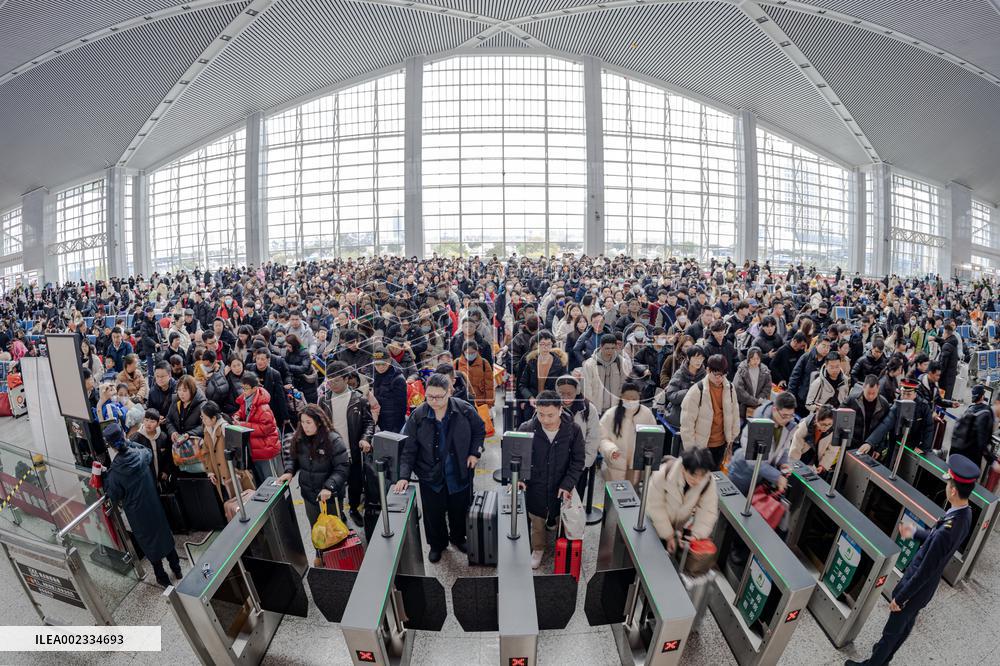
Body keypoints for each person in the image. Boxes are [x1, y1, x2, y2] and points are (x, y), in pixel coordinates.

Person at [846, 455, 976, 666]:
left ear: (953, 491)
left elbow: (925, 569)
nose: (946, 487)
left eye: (948, 484)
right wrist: (915, 532)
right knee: (903, 628)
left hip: (915, 589)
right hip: (925, 590)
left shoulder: (948, 528)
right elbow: (937, 544)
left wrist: (901, 597)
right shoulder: (965, 514)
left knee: (891, 632)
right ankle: (884, 661)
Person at [394, 374, 486, 563]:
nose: (434, 401)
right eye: (430, 396)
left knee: (459, 509)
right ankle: (437, 545)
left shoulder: (464, 409)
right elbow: (409, 449)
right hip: (430, 474)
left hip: (459, 471)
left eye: (439, 397)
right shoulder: (418, 415)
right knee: (433, 513)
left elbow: (479, 429)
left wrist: (474, 453)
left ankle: (458, 537)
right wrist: (403, 476)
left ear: (449, 392)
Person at [102, 423, 181, 587]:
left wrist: (103, 477)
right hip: (154, 505)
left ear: (110, 445)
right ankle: (177, 568)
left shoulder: (115, 473)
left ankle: (162, 576)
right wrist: (129, 442)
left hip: (137, 514)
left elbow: (113, 494)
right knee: (163, 534)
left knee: (149, 542)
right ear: (124, 436)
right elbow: (148, 452)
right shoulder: (140, 455)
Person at [515, 390, 585, 569]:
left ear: (560, 410)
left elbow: (578, 460)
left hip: (561, 483)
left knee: (561, 517)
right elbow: (517, 457)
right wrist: (520, 478)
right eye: (541, 414)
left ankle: (560, 542)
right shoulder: (526, 429)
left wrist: (568, 484)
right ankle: (538, 548)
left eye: (550, 415)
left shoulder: (573, 430)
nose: (545, 420)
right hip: (536, 485)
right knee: (537, 520)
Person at [320, 361, 375, 526]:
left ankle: (354, 509)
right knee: (335, 485)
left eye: (336, 380)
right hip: (332, 452)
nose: (332, 384)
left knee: (355, 484)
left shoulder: (359, 399)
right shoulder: (324, 400)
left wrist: (365, 438)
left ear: (346, 379)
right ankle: (339, 512)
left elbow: (369, 423)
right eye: (329, 381)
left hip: (353, 451)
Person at [277, 405, 350, 529]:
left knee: (334, 532)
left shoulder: (333, 440)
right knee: (316, 530)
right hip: (309, 495)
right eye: (302, 422)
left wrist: (329, 487)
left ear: (319, 422)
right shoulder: (299, 438)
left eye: (308, 422)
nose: (305, 426)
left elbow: (342, 467)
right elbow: (293, 458)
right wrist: (289, 471)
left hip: (330, 497)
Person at [646, 447, 719, 552]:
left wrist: (696, 535)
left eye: (702, 475)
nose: (698, 480)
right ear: (683, 468)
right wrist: (668, 535)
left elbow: (708, 510)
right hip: (653, 524)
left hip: (678, 529)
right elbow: (655, 507)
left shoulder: (708, 481)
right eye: (694, 475)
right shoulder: (663, 473)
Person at [727, 391, 797, 497]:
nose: (787, 419)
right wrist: (777, 476)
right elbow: (753, 460)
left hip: (762, 476)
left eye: (791, 415)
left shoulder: (787, 425)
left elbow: (784, 447)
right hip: (743, 473)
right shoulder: (759, 423)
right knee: (734, 503)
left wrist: (782, 463)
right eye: (784, 416)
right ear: (774, 409)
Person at [679, 354, 740, 470]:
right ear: (708, 370)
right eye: (716, 374)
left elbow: (735, 413)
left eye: (723, 374)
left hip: (721, 444)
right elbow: (687, 424)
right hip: (701, 446)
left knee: (715, 476)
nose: (720, 378)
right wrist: (691, 451)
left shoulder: (730, 388)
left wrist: (732, 437)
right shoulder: (697, 391)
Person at [860, 379, 934, 463]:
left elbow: (929, 427)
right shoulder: (896, 406)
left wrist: (924, 447)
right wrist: (870, 442)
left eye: (908, 394)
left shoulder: (923, 407)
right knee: (890, 462)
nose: (905, 397)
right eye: (903, 394)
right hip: (895, 441)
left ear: (915, 394)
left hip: (912, 444)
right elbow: (885, 424)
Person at [598, 382, 657, 484]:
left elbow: (654, 436)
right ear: (621, 397)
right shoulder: (610, 414)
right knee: (614, 492)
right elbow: (601, 438)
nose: (631, 402)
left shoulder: (646, 414)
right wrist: (611, 450)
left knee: (633, 491)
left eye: (634, 399)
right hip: (615, 465)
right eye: (627, 398)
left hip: (636, 467)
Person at [555, 375, 601, 500]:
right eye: (562, 393)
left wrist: (584, 463)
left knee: (574, 500)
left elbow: (593, 437)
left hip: (579, 465)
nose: (566, 397)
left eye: (570, 393)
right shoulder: (552, 406)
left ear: (577, 391)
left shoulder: (588, 409)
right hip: (555, 465)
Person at [235, 373, 281, 484]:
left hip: (266, 448)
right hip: (256, 448)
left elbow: (266, 428)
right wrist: (237, 416)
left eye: (246, 388)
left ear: (255, 388)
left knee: (273, 482)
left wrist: (242, 425)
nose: (243, 391)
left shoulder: (263, 407)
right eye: (242, 388)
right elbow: (242, 411)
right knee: (264, 481)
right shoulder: (247, 399)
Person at [948, 385, 1000, 474]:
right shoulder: (986, 415)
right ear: (998, 403)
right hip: (966, 460)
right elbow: (981, 443)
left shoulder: (975, 409)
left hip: (959, 456)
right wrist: (993, 462)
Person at [581, 332, 633, 416]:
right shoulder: (590, 364)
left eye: (612, 348)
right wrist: (590, 405)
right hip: (596, 407)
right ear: (601, 347)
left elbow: (624, 383)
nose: (610, 351)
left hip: (614, 407)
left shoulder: (621, 362)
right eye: (607, 348)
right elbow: (586, 386)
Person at [199, 400, 240, 501]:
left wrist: (237, 471)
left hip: (233, 475)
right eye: (202, 417)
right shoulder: (207, 430)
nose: (203, 420)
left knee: (241, 501)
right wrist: (210, 471)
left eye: (204, 418)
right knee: (230, 504)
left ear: (213, 418)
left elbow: (238, 453)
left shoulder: (225, 428)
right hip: (219, 476)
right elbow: (205, 453)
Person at [130, 408, 174, 492]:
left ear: (157, 423)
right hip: (145, 480)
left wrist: (166, 471)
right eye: (146, 420)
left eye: (152, 421)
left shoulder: (163, 437)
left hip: (160, 479)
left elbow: (168, 456)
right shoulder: (135, 439)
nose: (148, 424)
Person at [791, 405, 840, 476]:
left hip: (817, 458)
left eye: (829, 424)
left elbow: (832, 450)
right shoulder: (804, 426)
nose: (826, 427)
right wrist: (794, 466)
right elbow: (795, 448)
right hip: (803, 453)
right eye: (823, 424)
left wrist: (823, 465)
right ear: (816, 420)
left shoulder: (834, 429)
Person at [846, 375, 891, 451]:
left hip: (871, 445)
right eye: (868, 393)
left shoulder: (884, 404)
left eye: (873, 393)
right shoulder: (852, 399)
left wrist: (879, 449)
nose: (870, 396)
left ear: (878, 388)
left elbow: (883, 429)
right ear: (863, 387)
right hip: (851, 442)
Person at [372, 346, 408, 433]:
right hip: (379, 419)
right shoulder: (375, 374)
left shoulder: (398, 379)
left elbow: (401, 408)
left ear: (389, 361)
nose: (380, 367)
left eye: (384, 364)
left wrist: (396, 428)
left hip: (393, 423)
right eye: (377, 364)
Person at [733, 347, 772, 420]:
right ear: (749, 358)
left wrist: (760, 398)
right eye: (753, 359)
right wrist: (752, 401)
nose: (756, 361)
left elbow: (768, 386)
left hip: (759, 406)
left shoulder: (765, 370)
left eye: (758, 359)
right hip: (743, 407)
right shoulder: (742, 370)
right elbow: (738, 388)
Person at [456, 340, 495, 410]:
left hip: (480, 402)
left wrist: (489, 403)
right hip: (462, 402)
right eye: (468, 353)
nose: (470, 355)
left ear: (477, 351)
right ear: (463, 352)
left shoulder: (484, 363)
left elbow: (489, 385)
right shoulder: (456, 363)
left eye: (473, 353)